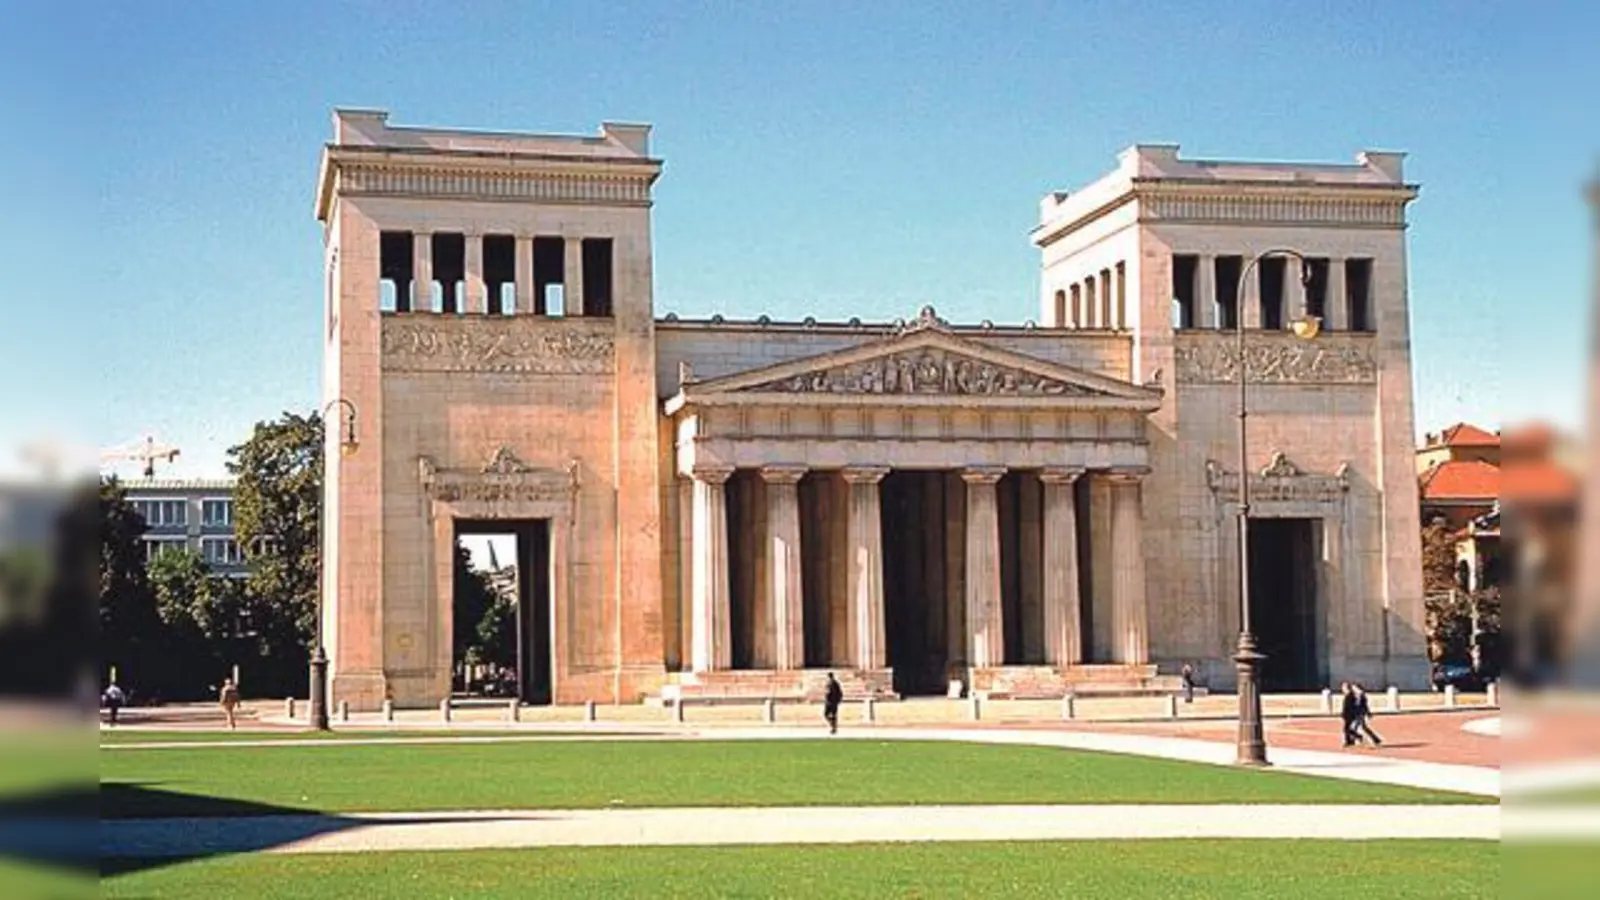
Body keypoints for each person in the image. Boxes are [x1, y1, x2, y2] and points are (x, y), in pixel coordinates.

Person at [1339, 681, 1362, 747]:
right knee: (1347, 729)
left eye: (1343, 688)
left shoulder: (1351, 696)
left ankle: (1353, 739)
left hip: (1350, 715)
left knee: (1346, 729)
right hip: (1347, 715)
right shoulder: (1348, 695)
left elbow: (1351, 707)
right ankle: (1351, 740)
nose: (1342, 689)